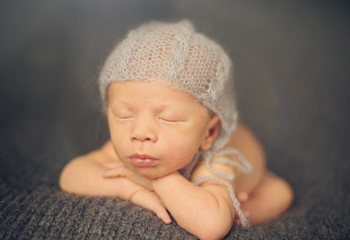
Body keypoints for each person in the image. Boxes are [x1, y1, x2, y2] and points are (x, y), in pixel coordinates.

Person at [59, 20, 293, 239]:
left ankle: (237, 210)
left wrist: (157, 181)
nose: (140, 132)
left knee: (279, 194)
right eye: (124, 115)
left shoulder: (214, 160)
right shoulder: (135, 147)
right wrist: (127, 188)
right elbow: (72, 175)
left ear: (208, 133)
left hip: (253, 169)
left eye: (168, 118)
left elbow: (211, 226)